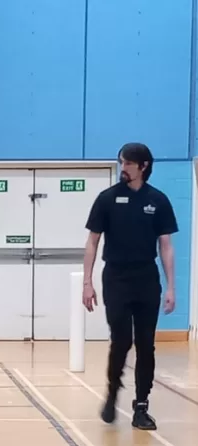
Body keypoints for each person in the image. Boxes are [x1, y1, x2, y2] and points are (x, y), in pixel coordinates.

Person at [83, 142, 177, 431]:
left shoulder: (158, 201)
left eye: (127, 163)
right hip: (116, 277)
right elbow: (92, 242)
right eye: (121, 163)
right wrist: (87, 282)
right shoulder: (107, 199)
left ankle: (141, 406)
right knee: (121, 340)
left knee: (146, 345)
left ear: (143, 166)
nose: (122, 168)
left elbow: (166, 246)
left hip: (146, 278)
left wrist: (172, 287)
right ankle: (113, 391)